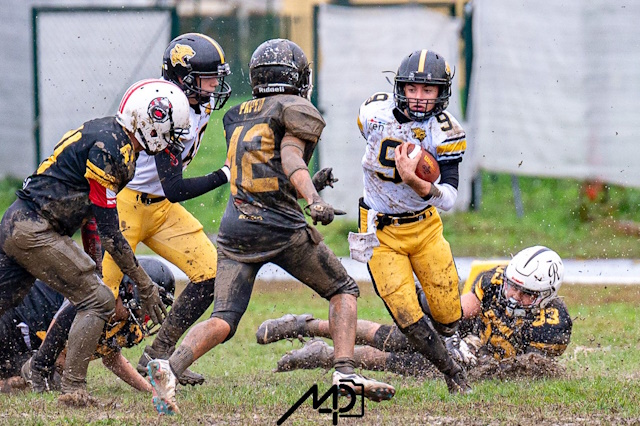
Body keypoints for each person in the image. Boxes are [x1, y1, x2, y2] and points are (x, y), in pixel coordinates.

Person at [145, 38, 396, 416]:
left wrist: (314, 183)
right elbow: (291, 157)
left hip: (235, 228)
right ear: (297, 78)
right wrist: (312, 199)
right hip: (279, 227)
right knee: (343, 289)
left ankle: (170, 368)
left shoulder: (238, 115)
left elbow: (263, 174)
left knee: (224, 318)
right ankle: (345, 373)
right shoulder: (295, 108)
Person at [25, 33, 234, 391]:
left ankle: (160, 356)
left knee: (211, 273)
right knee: (96, 293)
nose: (215, 86)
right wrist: (227, 174)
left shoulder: (196, 103)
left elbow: (168, 191)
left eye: (216, 77)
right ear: (182, 78)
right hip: (127, 204)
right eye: (207, 78)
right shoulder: (159, 104)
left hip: (161, 208)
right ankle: (42, 365)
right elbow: (175, 186)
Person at [0, 78, 188, 402]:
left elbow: (90, 218)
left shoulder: (111, 136)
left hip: (21, 222)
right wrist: (144, 284)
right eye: (170, 131)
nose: (173, 140)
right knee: (98, 300)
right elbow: (113, 234)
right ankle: (73, 389)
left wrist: (96, 265)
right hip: (35, 227)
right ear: (151, 123)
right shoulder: (115, 149)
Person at [347, 49, 471, 394]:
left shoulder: (445, 131)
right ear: (400, 87)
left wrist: (418, 184)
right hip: (380, 228)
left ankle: (451, 338)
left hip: (425, 227)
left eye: (428, 90)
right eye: (413, 89)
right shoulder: (373, 114)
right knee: (406, 315)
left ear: (441, 93)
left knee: (448, 312)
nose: (419, 97)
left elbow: (449, 197)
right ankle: (453, 373)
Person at [258, 246, 573, 379]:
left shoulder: (554, 327)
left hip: (480, 360)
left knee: (400, 364)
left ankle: (324, 355)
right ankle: (307, 325)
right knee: (397, 338)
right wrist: (451, 339)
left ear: (547, 295)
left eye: (525, 293)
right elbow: (457, 313)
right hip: (463, 339)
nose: (513, 294)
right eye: (513, 286)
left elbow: (525, 369)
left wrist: (478, 358)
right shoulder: (495, 279)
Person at [17, 258, 175, 395]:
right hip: (18, 322)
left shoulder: (121, 318)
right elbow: (57, 351)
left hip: (34, 344)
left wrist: (148, 389)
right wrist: (75, 384)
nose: (153, 311)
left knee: (48, 380)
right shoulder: (96, 301)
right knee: (29, 380)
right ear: (129, 290)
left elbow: (112, 358)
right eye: (151, 303)